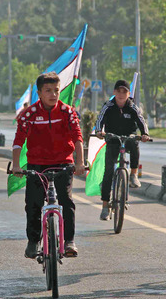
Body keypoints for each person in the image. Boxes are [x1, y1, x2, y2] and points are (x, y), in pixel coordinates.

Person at [12, 72, 85, 259]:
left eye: (56, 91)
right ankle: (33, 240)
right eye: (48, 91)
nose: (53, 95)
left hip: (63, 164)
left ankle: (69, 241)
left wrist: (80, 163)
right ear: (39, 93)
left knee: (66, 202)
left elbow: (77, 137)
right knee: (33, 204)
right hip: (37, 165)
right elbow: (19, 140)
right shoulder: (29, 114)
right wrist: (16, 166)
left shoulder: (67, 112)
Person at [95, 79, 151, 221]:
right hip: (112, 138)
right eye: (118, 91)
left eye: (124, 92)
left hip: (128, 137)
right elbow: (100, 119)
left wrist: (145, 134)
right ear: (114, 92)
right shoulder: (108, 105)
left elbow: (141, 120)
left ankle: (133, 175)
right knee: (108, 172)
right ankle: (105, 206)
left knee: (135, 144)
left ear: (128, 94)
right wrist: (98, 131)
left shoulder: (132, 107)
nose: (121, 94)